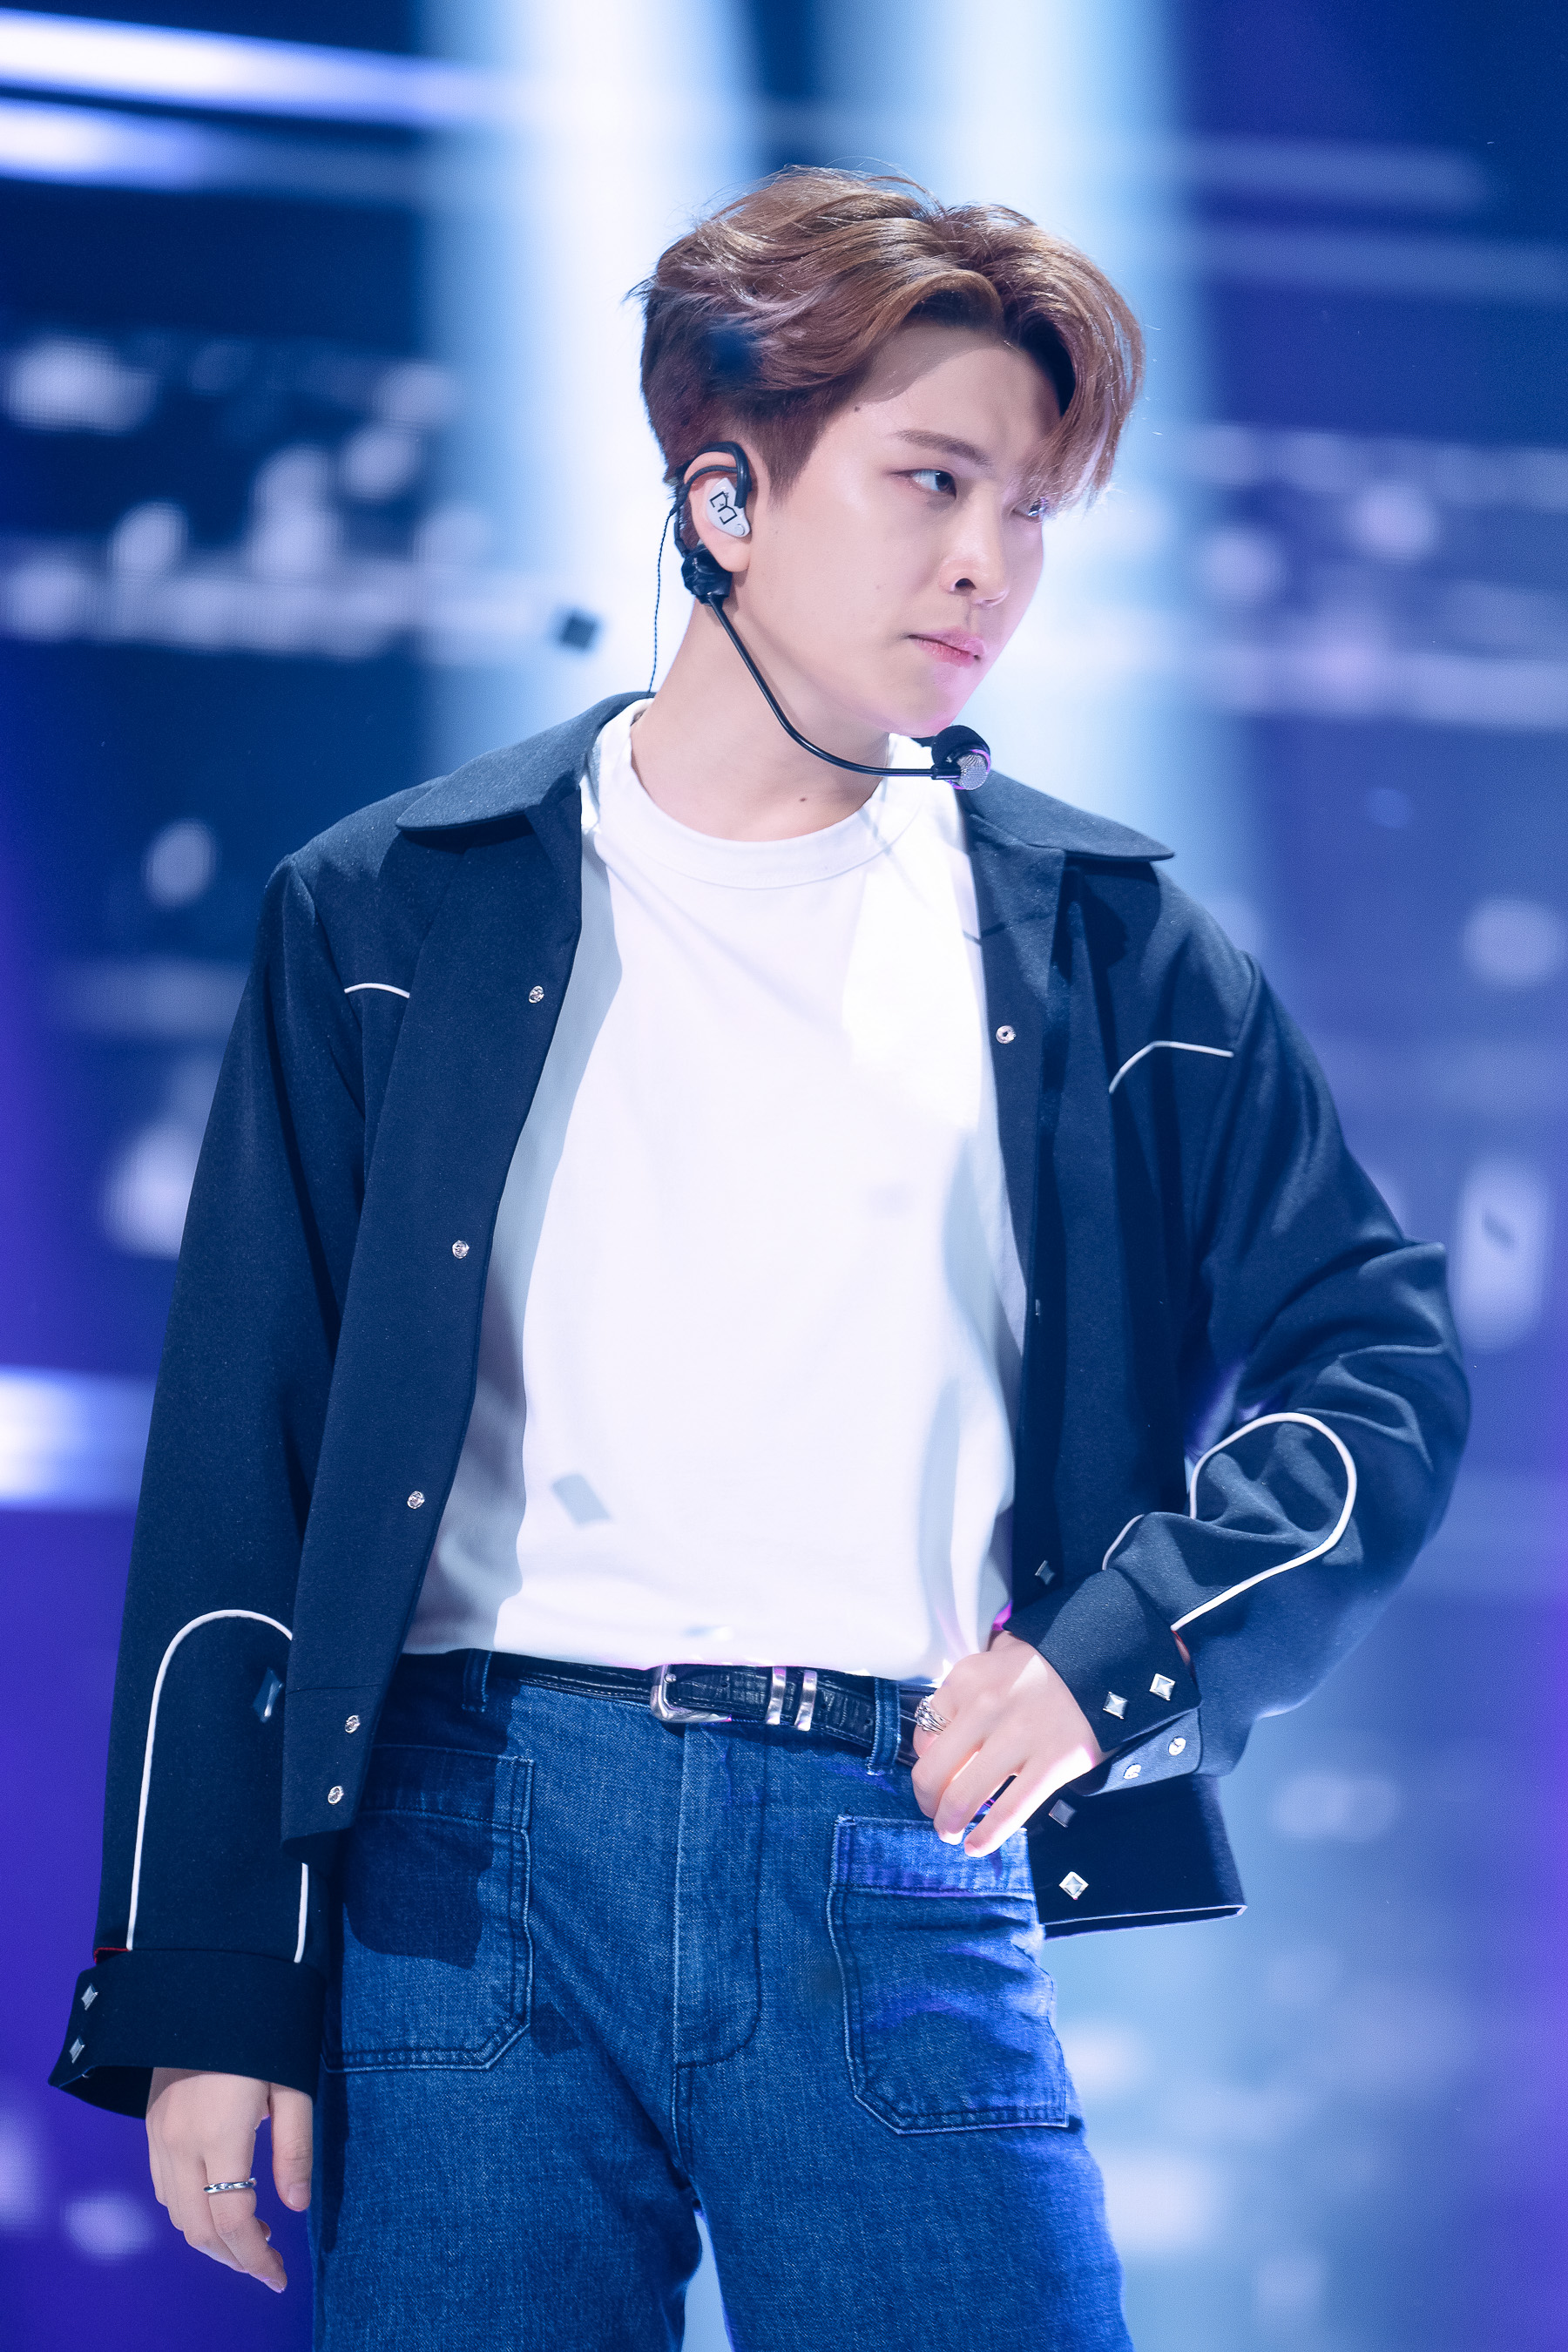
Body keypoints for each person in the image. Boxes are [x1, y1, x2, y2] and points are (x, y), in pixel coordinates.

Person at [51, 171, 1467, 2350]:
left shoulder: (1111, 951)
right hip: (458, 1862)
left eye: (1028, 506)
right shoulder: (389, 913)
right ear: (723, 496)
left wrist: (1116, 1653)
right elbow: (244, 1464)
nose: (989, 560)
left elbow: (1380, 1359)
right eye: (931, 480)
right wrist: (206, 1977)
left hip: (889, 1842)